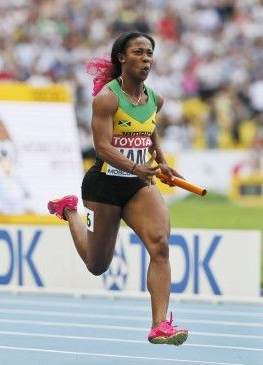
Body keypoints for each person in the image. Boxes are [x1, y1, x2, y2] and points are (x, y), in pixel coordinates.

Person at [47, 32, 188, 346]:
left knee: (160, 244)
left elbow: (148, 132)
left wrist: (161, 161)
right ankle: (69, 210)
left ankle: (159, 325)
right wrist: (139, 167)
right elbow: (102, 147)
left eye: (150, 52)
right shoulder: (107, 98)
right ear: (122, 58)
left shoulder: (156, 98)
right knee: (97, 266)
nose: (146, 58)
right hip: (104, 186)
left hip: (138, 186)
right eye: (139, 52)